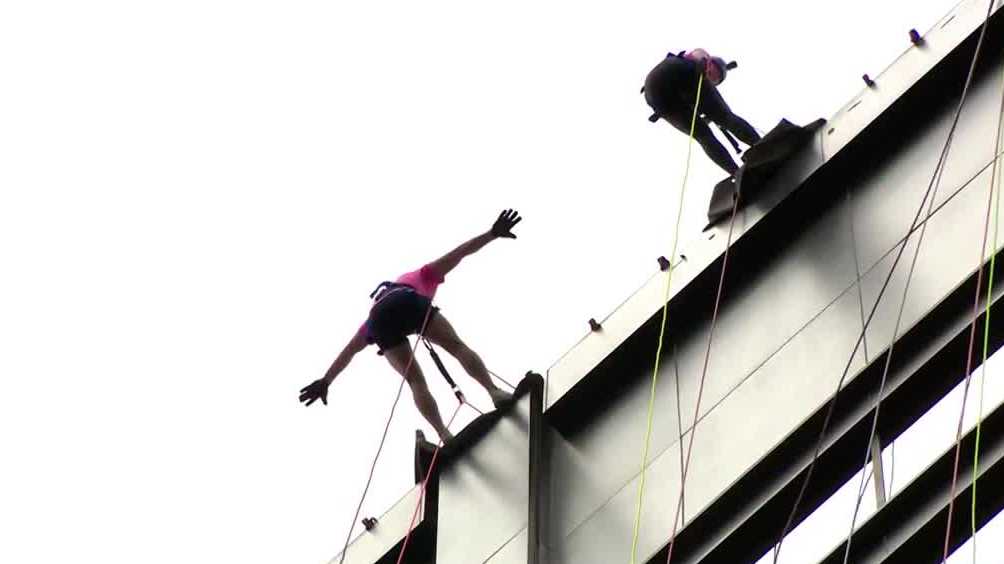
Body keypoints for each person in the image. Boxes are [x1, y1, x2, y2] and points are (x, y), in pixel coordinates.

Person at [298, 209, 522, 442]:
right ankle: (494, 392)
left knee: (415, 381)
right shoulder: (424, 275)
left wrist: (326, 381)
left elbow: (349, 351)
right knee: (456, 347)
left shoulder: (371, 317)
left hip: (379, 322)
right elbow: (459, 253)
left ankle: (443, 433)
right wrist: (492, 234)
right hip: (408, 300)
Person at [642, 48, 761, 176]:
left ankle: (735, 173)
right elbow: (699, 54)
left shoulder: (689, 79)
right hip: (673, 71)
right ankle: (760, 145)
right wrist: (701, 65)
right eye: (714, 76)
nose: (712, 79)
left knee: (702, 135)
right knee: (724, 117)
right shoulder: (699, 62)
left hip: (654, 94)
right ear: (709, 63)